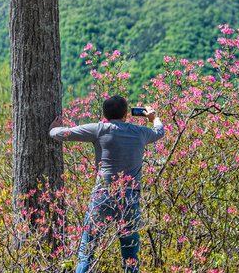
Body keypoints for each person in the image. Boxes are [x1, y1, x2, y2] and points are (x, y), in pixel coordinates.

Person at [48, 95, 164, 273]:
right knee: (130, 255)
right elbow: (159, 132)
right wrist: (154, 118)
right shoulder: (140, 132)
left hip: (103, 195)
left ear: (104, 114)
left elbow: (62, 133)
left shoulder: (99, 129)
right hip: (130, 198)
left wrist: (53, 129)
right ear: (126, 113)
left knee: (87, 251)